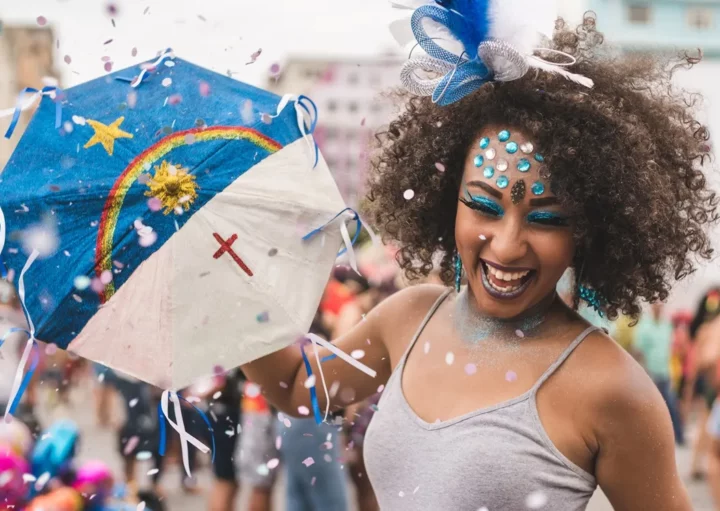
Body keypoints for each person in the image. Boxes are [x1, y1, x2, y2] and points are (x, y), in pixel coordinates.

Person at [243, 12, 714, 510]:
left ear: (589, 229)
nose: (508, 245)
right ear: (447, 200)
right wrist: (228, 277)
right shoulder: (409, 318)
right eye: (484, 206)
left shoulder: (612, 389)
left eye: (547, 218)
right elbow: (299, 387)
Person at [633, 303, 685, 444]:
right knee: (651, 407)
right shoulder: (644, 326)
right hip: (651, 372)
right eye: (655, 303)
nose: (658, 306)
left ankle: (678, 437)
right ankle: (648, 437)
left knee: (671, 405)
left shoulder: (666, 325)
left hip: (665, 371)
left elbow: (671, 349)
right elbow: (638, 351)